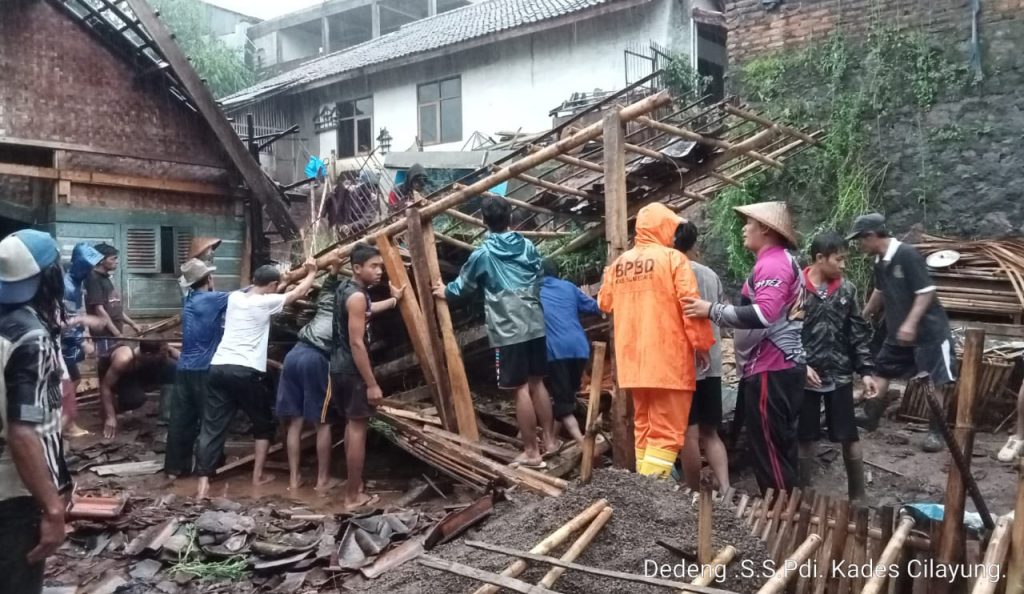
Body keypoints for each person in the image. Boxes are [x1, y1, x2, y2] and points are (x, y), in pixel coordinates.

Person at [684, 201, 805, 494]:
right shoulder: (780, 261)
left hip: (771, 368)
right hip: (780, 366)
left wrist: (711, 310)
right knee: (778, 443)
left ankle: (779, 513)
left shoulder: (772, 263)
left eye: (748, 223)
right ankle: (785, 507)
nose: (743, 229)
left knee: (769, 448)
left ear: (765, 228)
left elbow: (763, 315)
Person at [433, 196, 559, 469]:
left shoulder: (483, 254)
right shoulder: (527, 245)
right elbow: (539, 274)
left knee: (520, 388)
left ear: (483, 220)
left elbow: (463, 286)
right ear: (511, 218)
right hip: (535, 321)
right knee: (538, 383)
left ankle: (532, 453)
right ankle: (550, 443)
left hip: (508, 327)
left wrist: (445, 291)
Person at [598, 204, 714, 478]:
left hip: (633, 365)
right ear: (664, 226)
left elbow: (604, 302)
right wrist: (701, 345)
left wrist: (607, 275)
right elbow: (691, 306)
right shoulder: (674, 260)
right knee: (666, 431)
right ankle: (653, 491)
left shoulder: (618, 265)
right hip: (667, 360)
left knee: (644, 426)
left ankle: (643, 489)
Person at [195, 260, 317, 499]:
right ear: (271, 284)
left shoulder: (235, 298)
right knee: (262, 425)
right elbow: (299, 292)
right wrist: (311, 272)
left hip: (218, 367)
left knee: (212, 427)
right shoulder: (267, 302)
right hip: (246, 371)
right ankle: (258, 476)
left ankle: (202, 484)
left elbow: (272, 293)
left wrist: (279, 284)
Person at [0, 230, 72, 593]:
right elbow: (21, 431)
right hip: (15, 494)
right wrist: (52, 507)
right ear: (50, 276)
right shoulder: (31, 336)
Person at [848, 213, 956, 453]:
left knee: (933, 382)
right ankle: (871, 416)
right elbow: (880, 291)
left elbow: (926, 292)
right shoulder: (879, 261)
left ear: (872, 235)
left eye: (861, 240)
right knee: (883, 371)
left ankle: (935, 433)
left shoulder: (906, 255)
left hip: (928, 333)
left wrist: (910, 323)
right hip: (898, 332)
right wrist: (863, 316)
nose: (860, 245)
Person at [798, 232, 878, 501]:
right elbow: (785, 331)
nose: (843, 265)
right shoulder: (796, 288)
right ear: (820, 259)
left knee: (849, 435)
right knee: (805, 436)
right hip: (806, 376)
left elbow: (856, 333)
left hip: (840, 374)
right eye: (839, 259)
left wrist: (866, 371)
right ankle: (803, 493)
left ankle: (858, 496)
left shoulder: (847, 290)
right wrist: (799, 364)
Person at [330, 243, 403, 510]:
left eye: (380, 266)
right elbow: (357, 343)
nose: (379, 271)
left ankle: (354, 484)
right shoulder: (358, 297)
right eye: (374, 266)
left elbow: (366, 311)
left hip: (338, 366)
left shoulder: (346, 290)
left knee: (352, 425)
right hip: (352, 369)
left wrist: (395, 300)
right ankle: (352, 496)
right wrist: (371, 383)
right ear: (357, 268)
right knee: (358, 428)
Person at [673, 221, 731, 493]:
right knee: (711, 433)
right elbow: (723, 312)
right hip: (714, 365)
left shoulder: (671, 273)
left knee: (689, 434)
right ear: (694, 245)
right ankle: (727, 487)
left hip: (686, 367)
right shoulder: (710, 275)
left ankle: (694, 492)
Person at [165, 258, 228, 478]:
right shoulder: (213, 299)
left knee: (181, 419)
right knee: (211, 419)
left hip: (183, 369)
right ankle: (209, 467)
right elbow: (249, 293)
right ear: (209, 278)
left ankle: (175, 468)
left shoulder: (190, 299)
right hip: (204, 369)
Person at [539, 258, 601, 444]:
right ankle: (550, 438)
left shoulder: (533, 291)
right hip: (580, 349)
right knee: (565, 398)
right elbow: (594, 307)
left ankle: (583, 443)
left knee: (563, 404)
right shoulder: (568, 287)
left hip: (555, 352)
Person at [60, 243, 104, 437]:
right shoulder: (67, 286)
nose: (91, 270)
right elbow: (66, 320)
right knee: (69, 382)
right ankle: (66, 425)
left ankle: (65, 421)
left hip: (68, 340)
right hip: (62, 343)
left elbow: (77, 313)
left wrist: (84, 331)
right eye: (88, 266)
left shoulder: (77, 282)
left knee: (72, 381)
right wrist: (81, 341)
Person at [99, 340, 179, 439]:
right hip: (120, 378)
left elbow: (183, 359)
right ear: (148, 355)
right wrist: (110, 417)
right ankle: (112, 408)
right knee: (135, 399)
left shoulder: (158, 349)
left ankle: (165, 422)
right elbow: (105, 386)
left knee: (174, 367)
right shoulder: (124, 359)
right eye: (160, 356)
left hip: (138, 372)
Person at [85, 242, 143, 377]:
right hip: (104, 334)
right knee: (107, 369)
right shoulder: (93, 279)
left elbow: (115, 307)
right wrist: (116, 333)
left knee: (116, 368)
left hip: (113, 332)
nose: (116, 262)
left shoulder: (106, 278)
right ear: (101, 260)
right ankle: (105, 396)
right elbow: (99, 310)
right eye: (113, 259)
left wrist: (133, 324)